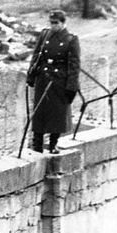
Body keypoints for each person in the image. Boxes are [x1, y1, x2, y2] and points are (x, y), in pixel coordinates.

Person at [26, 9, 81, 154]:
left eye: (56, 23)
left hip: (59, 81)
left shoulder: (71, 39)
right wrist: (31, 74)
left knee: (58, 113)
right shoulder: (45, 35)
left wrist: (71, 86)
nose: (53, 26)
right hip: (43, 78)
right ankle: (37, 143)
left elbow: (74, 65)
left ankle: (53, 143)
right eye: (51, 23)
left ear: (63, 23)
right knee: (40, 111)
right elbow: (36, 55)